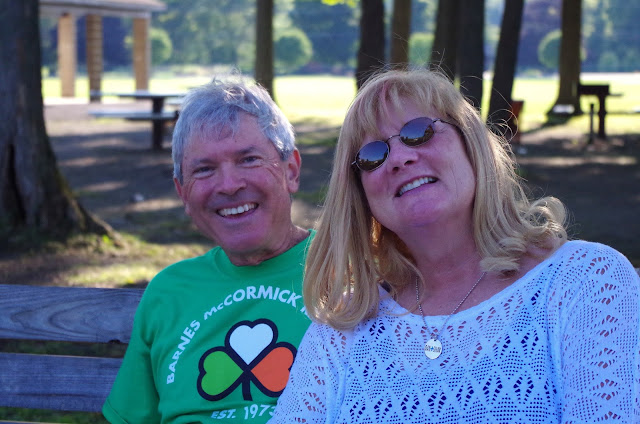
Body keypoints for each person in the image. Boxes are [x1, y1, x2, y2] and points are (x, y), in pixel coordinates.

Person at [270, 69, 640, 423]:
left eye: (419, 132)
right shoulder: (343, 328)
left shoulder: (585, 281)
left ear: (470, 143)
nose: (399, 158)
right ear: (360, 194)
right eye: (373, 155)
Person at [103, 78, 314, 423]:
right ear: (183, 193)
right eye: (204, 169)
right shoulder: (169, 292)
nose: (228, 185)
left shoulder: (349, 270)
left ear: (290, 171)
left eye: (248, 159)